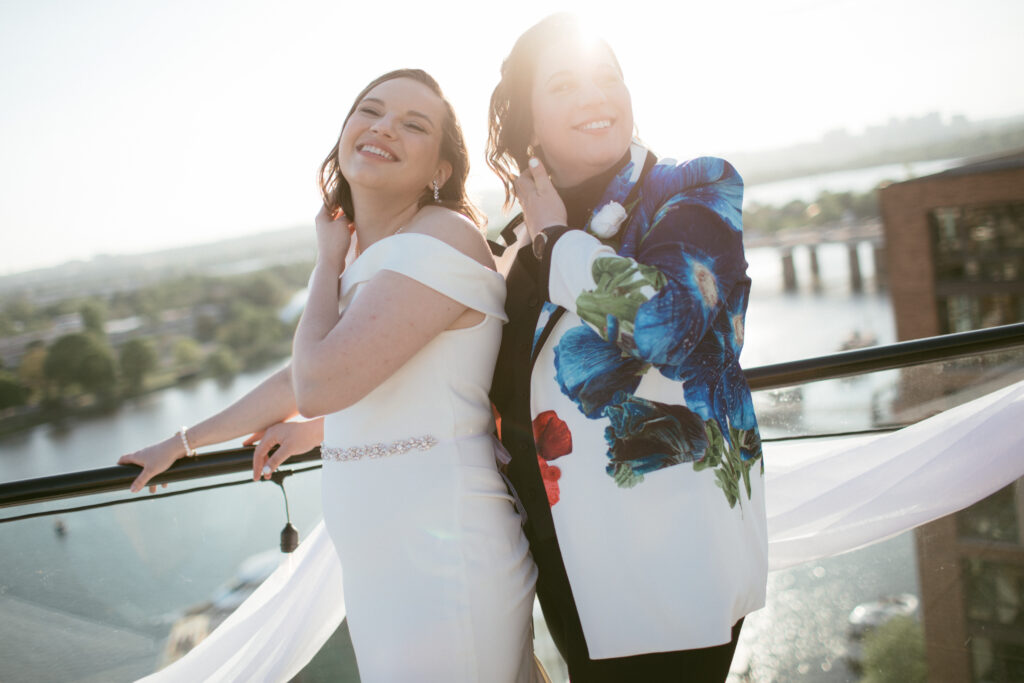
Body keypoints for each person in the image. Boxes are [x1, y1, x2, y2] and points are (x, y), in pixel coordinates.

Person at [118, 68, 540, 683]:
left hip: (445, 556)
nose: (384, 126)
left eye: (413, 124)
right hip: (381, 559)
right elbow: (304, 382)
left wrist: (324, 264)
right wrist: (183, 443)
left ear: (440, 171)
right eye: (371, 110)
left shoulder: (441, 235)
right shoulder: (378, 254)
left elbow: (317, 383)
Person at [487, 14, 767, 682]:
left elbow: (665, 326)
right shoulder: (512, 240)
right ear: (528, 122)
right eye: (564, 85)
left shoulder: (694, 189)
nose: (596, 96)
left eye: (607, 77)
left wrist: (557, 241)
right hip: (565, 559)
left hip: (671, 559)